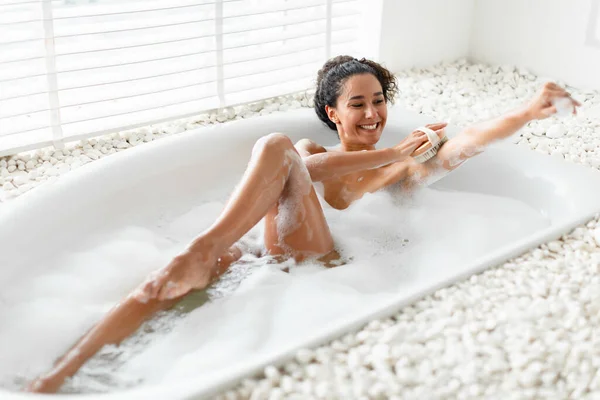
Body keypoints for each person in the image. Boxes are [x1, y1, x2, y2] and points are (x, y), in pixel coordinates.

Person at [26, 55, 579, 393]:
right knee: (157, 284)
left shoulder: (403, 168)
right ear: (332, 113)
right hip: (269, 256)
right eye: (357, 104)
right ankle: (57, 375)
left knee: (272, 148)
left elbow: (467, 144)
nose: (372, 114)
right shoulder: (324, 150)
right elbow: (309, 167)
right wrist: (386, 153)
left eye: (379, 101)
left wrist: (529, 110)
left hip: (326, 267)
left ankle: (199, 250)